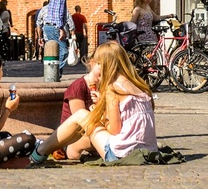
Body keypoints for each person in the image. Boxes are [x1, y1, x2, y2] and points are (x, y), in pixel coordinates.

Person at [30, 42, 158, 164]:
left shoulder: (113, 89)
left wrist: (100, 118)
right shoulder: (140, 87)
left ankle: (39, 152)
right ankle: (48, 149)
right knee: (84, 122)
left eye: (98, 62)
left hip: (121, 153)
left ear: (105, 65)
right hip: (148, 150)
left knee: (80, 115)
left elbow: (114, 130)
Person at [52, 54, 101, 160]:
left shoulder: (107, 86)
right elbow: (80, 123)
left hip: (96, 131)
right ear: (92, 63)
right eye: (101, 64)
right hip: (72, 139)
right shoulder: (78, 87)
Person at [42, 0, 75, 74]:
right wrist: (61, 29)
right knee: (64, 51)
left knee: (55, 50)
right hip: (54, 27)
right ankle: (54, 73)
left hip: (48, 26)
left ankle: (53, 73)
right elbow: (58, 14)